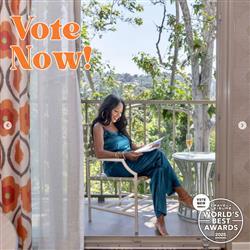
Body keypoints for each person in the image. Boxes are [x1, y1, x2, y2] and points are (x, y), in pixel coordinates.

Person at [91, 94, 194, 236]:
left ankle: (160, 220)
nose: (118, 116)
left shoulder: (119, 127)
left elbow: (132, 147)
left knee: (158, 169)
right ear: (107, 108)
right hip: (116, 166)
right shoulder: (99, 126)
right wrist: (123, 155)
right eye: (116, 111)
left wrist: (146, 147)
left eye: (120, 113)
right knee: (159, 155)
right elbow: (99, 153)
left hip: (130, 161)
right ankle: (181, 192)